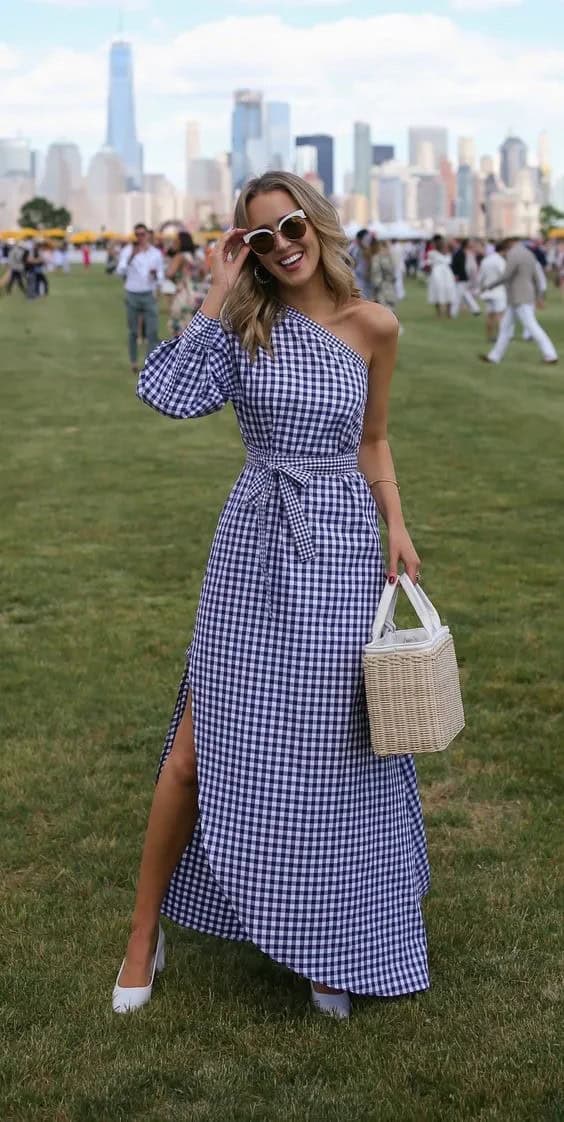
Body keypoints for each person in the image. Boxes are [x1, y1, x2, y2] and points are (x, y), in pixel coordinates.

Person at [112, 170, 429, 1022]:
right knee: (192, 751)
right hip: (256, 542)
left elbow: (374, 436)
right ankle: (144, 933)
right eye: (260, 238)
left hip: (342, 549)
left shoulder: (375, 327)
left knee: (333, 756)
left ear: (316, 225)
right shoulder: (249, 322)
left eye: (290, 227)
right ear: (246, 248)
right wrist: (217, 292)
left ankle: (327, 941)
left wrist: (394, 520)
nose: (281, 247)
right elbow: (166, 394)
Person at [480, 238, 558, 365]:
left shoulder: (513, 255)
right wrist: (539, 296)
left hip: (518, 297)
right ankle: (494, 356)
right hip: (525, 295)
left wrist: (489, 286)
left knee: (531, 326)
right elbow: (536, 278)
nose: (504, 256)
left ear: (506, 248)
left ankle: (550, 354)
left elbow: (506, 275)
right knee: (505, 327)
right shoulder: (529, 254)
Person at [116, 223, 164, 373]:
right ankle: (134, 361)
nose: (140, 237)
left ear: (148, 235)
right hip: (132, 293)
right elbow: (120, 270)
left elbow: (161, 276)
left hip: (148, 293)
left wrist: (155, 275)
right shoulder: (128, 251)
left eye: (142, 234)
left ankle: (150, 363)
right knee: (133, 331)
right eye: (137, 235)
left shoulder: (155, 253)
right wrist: (132, 256)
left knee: (152, 331)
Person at [165, 230, 197, 335]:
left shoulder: (179, 256)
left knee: (177, 326)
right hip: (194, 293)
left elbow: (170, 273)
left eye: (176, 240)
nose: (174, 242)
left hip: (182, 294)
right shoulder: (193, 256)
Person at [478, 242, 507, 343]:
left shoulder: (485, 260)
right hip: (498, 291)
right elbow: (504, 275)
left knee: (489, 316)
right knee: (500, 316)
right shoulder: (500, 260)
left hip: (487, 292)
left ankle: (489, 337)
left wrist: (481, 288)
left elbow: (480, 277)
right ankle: (501, 338)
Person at [427, 235, 456, 317]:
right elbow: (429, 264)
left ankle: (448, 312)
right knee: (438, 291)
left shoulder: (448, 253)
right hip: (437, 274)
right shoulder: (432, 253)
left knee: (449, 290)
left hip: (447, 274)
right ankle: (440, 313)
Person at [451, 239, 481, 317]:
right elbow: (455, 265)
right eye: (470, 243)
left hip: (466, 277)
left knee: (463, 294)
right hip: (461, 276)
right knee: (462, 294)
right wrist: (455, 274)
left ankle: (475, 309)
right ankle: (475, 309)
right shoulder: (460, 253)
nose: (472, 244)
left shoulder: (468, 253)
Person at [349, 228, 372, 298]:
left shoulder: (369, 250)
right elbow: (351, 264)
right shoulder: (354, 249)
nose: (368, 241)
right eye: (366, 239)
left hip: (367, 280)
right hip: (357, 279)